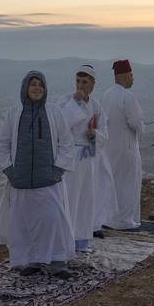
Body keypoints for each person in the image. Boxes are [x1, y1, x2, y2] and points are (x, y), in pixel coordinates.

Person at [0, 71, 77, 276]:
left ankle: (58, 261)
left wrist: (57, 170)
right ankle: (32, 261)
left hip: (49, 180)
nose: (37, 88)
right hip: (21, 181)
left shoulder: (54, 111)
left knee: (53, 220)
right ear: (25, 87)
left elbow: (67, 142)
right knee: (25, 224)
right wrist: (10, 171)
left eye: (40, 84)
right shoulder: (14, 113)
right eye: (33, 84)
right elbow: (2, 144)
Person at [58, 64, 108, 253]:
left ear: (93, 84)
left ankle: (81, 239)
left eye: (85, 82)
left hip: (89, 159)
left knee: (86, 199)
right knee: (70, 199)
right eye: (78, 81)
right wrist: (75, 104)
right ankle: (65, 240)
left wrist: (94, 134)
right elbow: (60, 125)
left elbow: (105, 132)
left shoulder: (97, 106)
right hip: (71, 159)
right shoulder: (65, 101)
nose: (80, 85)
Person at [97, 59, 145, 230]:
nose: (133, 79)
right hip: (126, 149)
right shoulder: (128, 97)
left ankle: (109, 218)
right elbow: (135, 123)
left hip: (109, 148)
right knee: (127, 184)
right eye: (131, 75)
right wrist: (141, 128)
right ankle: (124, 221)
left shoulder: (106, 94)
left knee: (112, 183)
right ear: (125, 77)